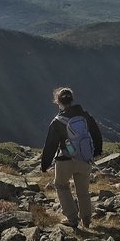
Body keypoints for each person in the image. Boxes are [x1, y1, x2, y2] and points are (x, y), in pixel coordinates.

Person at [40, 87, 103, 228]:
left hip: (65, 160)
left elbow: (50, 145)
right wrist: (96, 152)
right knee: (83, 191)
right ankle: (86, 220)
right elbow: (96, 134)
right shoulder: (85, 116)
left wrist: (45, 164)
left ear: (57, 102)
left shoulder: (57, 121)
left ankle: (72, 219)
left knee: (61, 186)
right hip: (85, 159)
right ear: (72, 100)